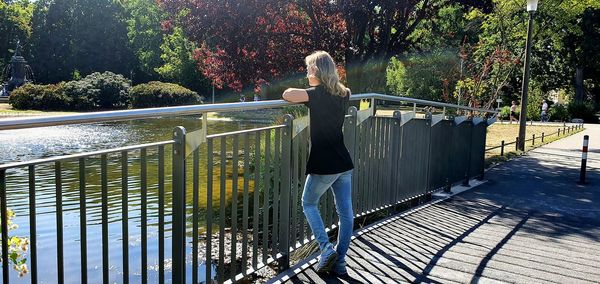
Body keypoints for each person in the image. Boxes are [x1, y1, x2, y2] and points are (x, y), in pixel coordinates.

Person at [281, 51, 354, 275]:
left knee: (308, 203)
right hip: (343, 162)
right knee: (346, 214)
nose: (305, 72)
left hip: (324, 163)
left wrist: (309, 89)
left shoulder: (315, 94)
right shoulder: (344, 94)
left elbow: (287, 94)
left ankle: (325, 248)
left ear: (316, 70)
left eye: (308, 68)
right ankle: (339, 262)